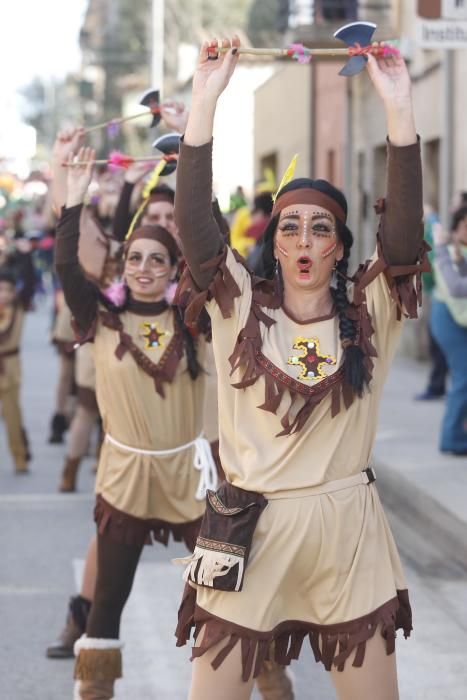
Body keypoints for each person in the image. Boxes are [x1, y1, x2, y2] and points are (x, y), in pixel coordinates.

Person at [173, 37, 427, 700]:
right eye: (290, 228)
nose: (305, 239)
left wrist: (398, 112)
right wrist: (205, 102)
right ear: (273, 243)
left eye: (321, 228)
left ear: (340, 244)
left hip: (348, 534)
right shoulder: (236, 304)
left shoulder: (370, 306)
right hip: (247, 531)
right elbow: (197, 232)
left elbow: (401, 240)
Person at [55, 141, 217, 700]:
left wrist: (195, 161)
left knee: (229, 601)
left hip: (191, 481)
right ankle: (93, 692)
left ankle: (270, 685)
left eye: (159, 259)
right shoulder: (99, 316)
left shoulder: (197, 318)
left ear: (176, 270)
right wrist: (73, 198)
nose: (145, 269)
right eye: (136, 259)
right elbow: (66, 266)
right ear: (124, 267)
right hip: (126, 475)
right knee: (108, 602)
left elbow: (215, 253)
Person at [431, 211, 467, 455]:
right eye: (465, 226)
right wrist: (442, 247)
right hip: (447, 319)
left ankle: (456, 433)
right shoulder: (447, 252)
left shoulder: (458, 253)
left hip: (458, 320)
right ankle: (452, 438)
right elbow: (455, 287)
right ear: (455, 229)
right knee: (463, 376)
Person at [414, 204, 448, 400]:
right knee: (433, 338)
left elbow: (433, 258)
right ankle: (437, 384)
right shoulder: (429, 228)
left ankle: (437, 385)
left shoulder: (432, 227)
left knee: (435, 339)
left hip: (436, 291)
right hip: (431, 289)